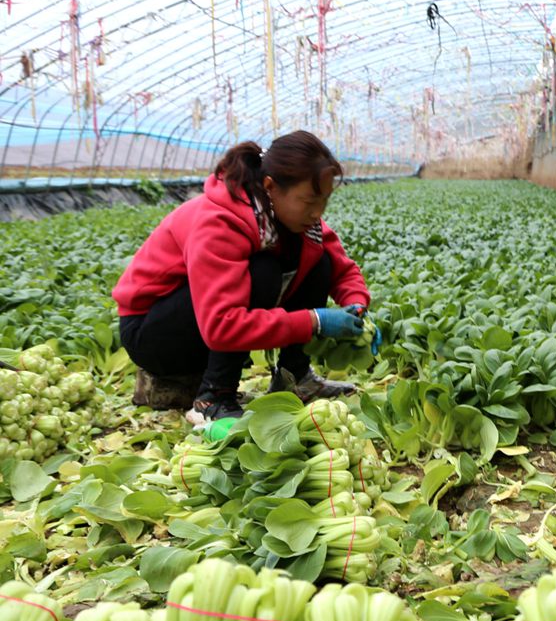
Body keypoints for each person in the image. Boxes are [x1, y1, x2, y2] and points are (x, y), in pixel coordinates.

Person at [112, 130, 379, 424]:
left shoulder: (292, 218)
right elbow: (221, 325)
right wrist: (314, 321)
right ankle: (212, 400)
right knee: (262, 272)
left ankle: (295, 378)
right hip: (152, 334)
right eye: (308, 200)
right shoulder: (220, 220)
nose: (317, 212)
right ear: (270, 186)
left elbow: (342, 267)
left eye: (324, 201)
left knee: (319, 260)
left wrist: (357, 305)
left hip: (198, 322)